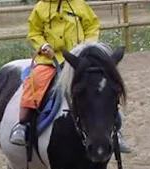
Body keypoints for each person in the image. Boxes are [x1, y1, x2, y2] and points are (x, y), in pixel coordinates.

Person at [9, 0, 131, 153]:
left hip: (80, 59)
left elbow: (92, 25)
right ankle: (23, 124)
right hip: (51, 59)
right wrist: (43, 46)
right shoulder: (40, 7)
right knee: (35, 80)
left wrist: (88, 45)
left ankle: (115, 130)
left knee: (102, 85)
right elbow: (34, 32)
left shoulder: (79, 4)